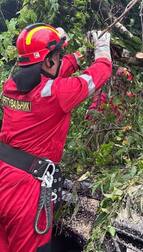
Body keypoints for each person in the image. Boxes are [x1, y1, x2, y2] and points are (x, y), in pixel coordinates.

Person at [0, 23, 112, 252]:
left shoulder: (11, 86)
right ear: (49, 60)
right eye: (57, 56)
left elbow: (47, 72)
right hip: (26, 189)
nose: (61, 60)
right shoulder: (58, 94)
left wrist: (77, 54)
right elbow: (98, 74)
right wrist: (102, 51)